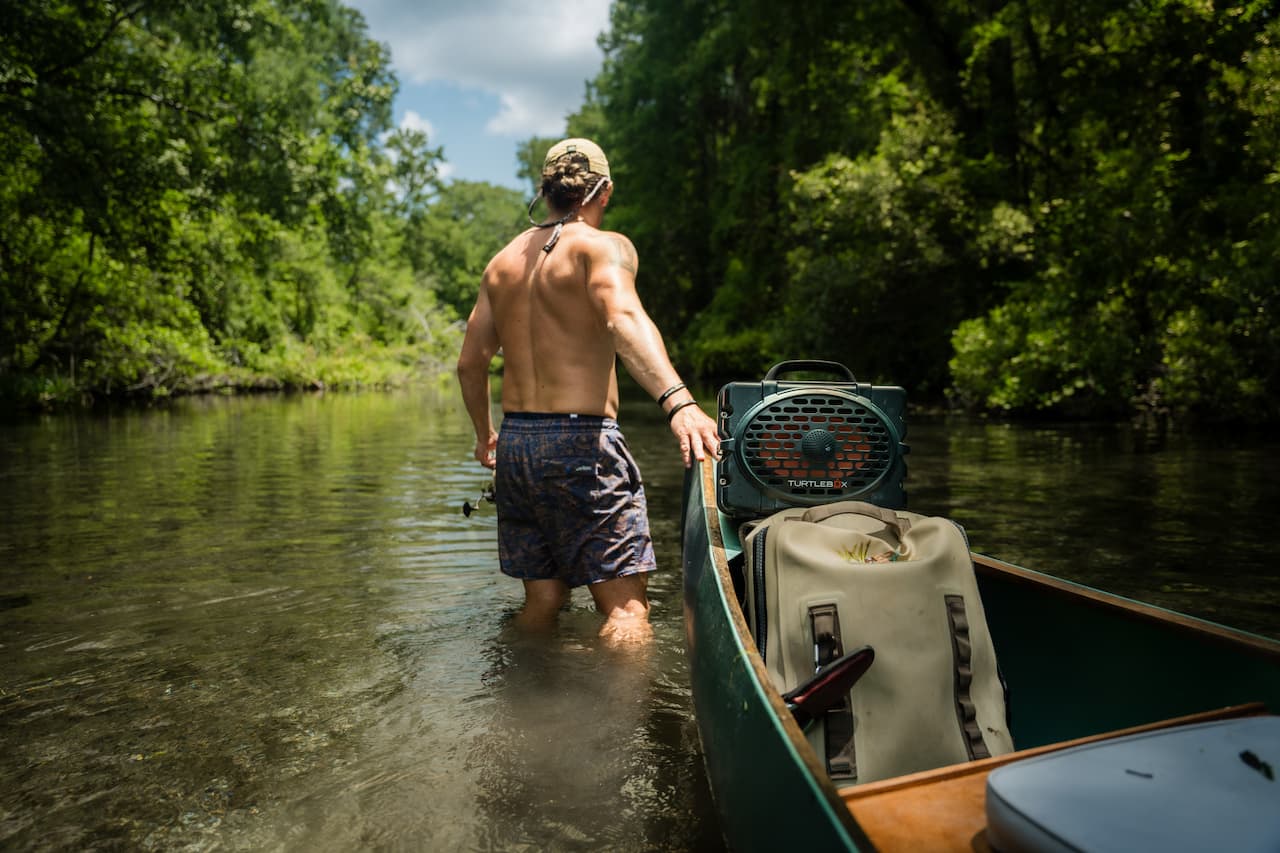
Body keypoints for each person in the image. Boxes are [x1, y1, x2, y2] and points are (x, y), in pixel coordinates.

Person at [456, 138, 720, 644]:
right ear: (604, 191)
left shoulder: (501, 262)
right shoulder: (603, 247)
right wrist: (679, 401)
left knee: (543, 601)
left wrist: (485, 435)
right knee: (626, 614)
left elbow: (470, 364)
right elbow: (622, 319)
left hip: (516, 445)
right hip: (581, 441)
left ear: (546, 193)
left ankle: (517, 703)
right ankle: (622, 726)